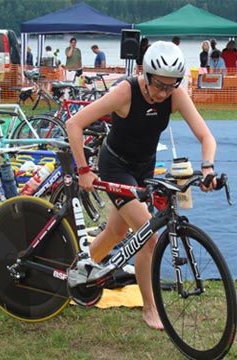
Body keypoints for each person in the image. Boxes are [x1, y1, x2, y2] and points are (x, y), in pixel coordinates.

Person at [66, 41, 217, 330]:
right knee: (148, 236)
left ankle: (78, 273)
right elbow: (75, 124)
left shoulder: (175, 95)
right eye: (159, 86)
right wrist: (84, 169)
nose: (164, 93)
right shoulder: (125, 92)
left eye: (171, 87)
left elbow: (205, 136)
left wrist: (208, 166)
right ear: (145, 75)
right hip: (115, 165)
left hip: (144, 168)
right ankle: (150, 308)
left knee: (115, 231)